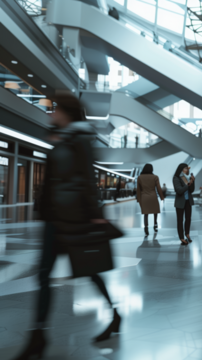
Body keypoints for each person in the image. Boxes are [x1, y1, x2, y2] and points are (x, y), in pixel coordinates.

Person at [13, 95, 120, 360]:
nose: (51, 114)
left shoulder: (80, 139)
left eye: (55, 110)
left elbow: (86, 178)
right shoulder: (61, 137)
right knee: (44, 275)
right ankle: (38, 335)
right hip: (55, 218)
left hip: (73, 219)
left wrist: (94, 215)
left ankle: (116, 315)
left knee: (89, 271)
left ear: (67, 112)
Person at [137, 164, 164, 235]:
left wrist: (138, 199)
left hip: (144, 197)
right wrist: (162, 197)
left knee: (146, 214)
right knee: (155, 212)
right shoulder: (155, 177)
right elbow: (158, 188)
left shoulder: (140, 177)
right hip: (153, 197)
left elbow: (138, 190)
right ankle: (155, 224)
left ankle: (146, 227)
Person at [173, 163, 195, 245]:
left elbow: (191, 190)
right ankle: (181, 237)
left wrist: (192, 181)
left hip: (188, 201)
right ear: (181, 169)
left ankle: (187, 234)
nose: (187, 170)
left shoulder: (186, 178)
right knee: (180, 220)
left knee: (188, 218)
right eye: (186, 168)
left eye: (188, 169)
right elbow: (179, 190)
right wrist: (188, 184)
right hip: (180, 202)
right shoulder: (176, 178)